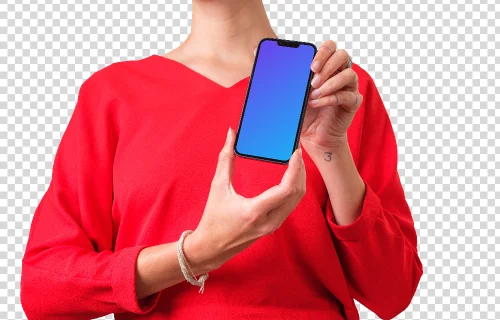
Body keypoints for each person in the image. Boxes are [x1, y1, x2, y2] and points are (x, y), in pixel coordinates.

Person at [20, 0, 423, 319]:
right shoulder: (111, 96)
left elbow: (393, 292)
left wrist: (329, 148)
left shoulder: (337, 93)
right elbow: (44, 288)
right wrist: (194, 255)